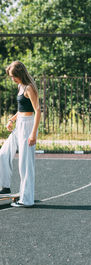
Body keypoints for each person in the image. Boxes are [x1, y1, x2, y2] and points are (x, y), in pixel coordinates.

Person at [0, 61, 41, 207]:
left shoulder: (29, 88)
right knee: (3, 153)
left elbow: (37, 111)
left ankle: (27, 199)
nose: (12, 79)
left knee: (25, 164)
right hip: (20, 124)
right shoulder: (20, 86)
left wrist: (33, 134)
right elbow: (22, 108)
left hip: (28, 126)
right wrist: (12, 119)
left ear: (20, 74)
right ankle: (5, 186)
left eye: (13, 76)